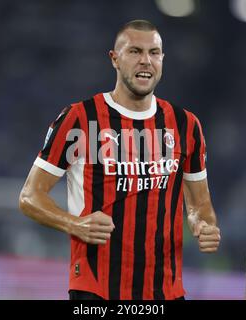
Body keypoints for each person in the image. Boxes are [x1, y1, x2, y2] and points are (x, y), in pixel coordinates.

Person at [19, 19, 220, 300]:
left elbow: (200, 205)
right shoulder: (80, 118)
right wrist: (74, 224)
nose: (146, 61)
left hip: (165, 292)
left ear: (163, 59)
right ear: (114, 59)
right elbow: (30, 196)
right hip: (96, 290)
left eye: (154, 53)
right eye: (135, 51)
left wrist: (203, 225)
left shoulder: (186, 125)